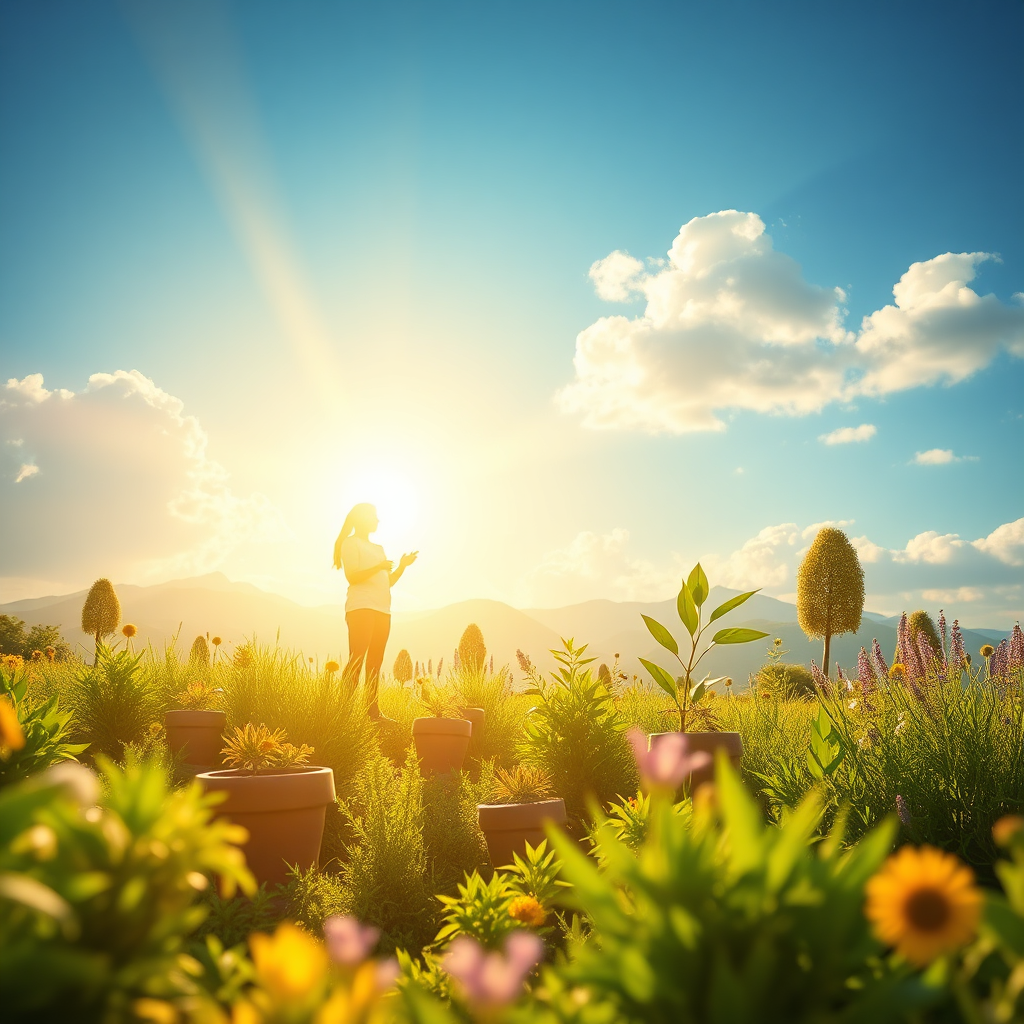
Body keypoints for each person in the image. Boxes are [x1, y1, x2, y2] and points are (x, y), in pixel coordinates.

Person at [333, 502, 417, 718]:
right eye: (374, 516)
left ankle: (372, 711)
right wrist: (378, 567)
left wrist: (402, 566)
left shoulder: (378, 549)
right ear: (362, 519)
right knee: (357, 658)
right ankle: (343, 711)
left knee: (375, 661)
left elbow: (386, 582)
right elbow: (352, 576)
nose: (378, 520)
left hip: (382, 610)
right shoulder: (350, 543)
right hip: (361, 607)